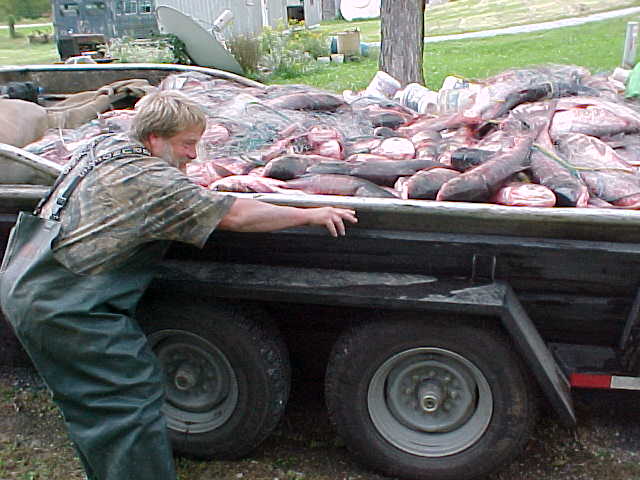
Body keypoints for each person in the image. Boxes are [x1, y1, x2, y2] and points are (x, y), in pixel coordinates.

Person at [0, 90, 357, 480]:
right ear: (154, 139)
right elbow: (235, 215)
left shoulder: (109, 145)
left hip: (31, 278)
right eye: (187, 144)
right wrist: (309, 213)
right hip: (65, 304)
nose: (194, 155)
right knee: (125, 403)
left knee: (92, 405)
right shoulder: (151, 181)